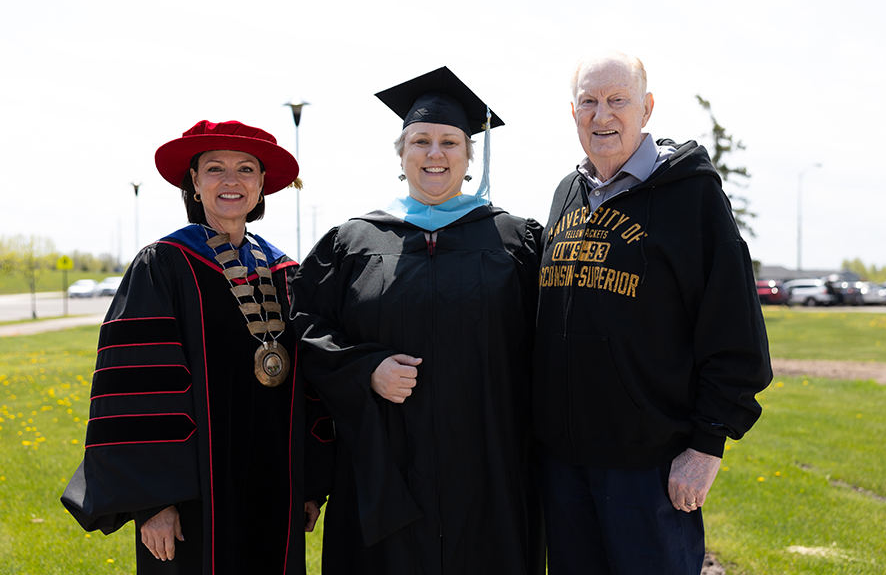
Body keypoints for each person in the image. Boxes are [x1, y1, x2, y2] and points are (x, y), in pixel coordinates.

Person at [291, 67, 544, 574]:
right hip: (384, 469)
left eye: (451, 141)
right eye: (421, 141)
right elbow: (303, 327)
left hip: (490, 468)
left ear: (470, 157)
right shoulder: (352, 243)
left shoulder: (517, 242)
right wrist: (365, 369)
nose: (435, 153)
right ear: (401, 156)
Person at [533, 52, 773, 574]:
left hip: (650, 469)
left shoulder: (692, 195)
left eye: (617, 100)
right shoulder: (565, 195)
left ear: (647, 109)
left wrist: (707, 446)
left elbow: (735, 331)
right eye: (589, 102)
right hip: (566, 467)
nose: (602, 116)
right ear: (571, 112)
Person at [62, 120, 332, 574]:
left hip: (275, 485)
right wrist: (153, 501)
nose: (231, 181)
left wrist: (308, 483)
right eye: (215, 169)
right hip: (192, 496)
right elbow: (140, 386)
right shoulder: (164, 264)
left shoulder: (287, 273)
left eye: (246, 169)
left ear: (263, 184)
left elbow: (307, 381)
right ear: (194, 181)